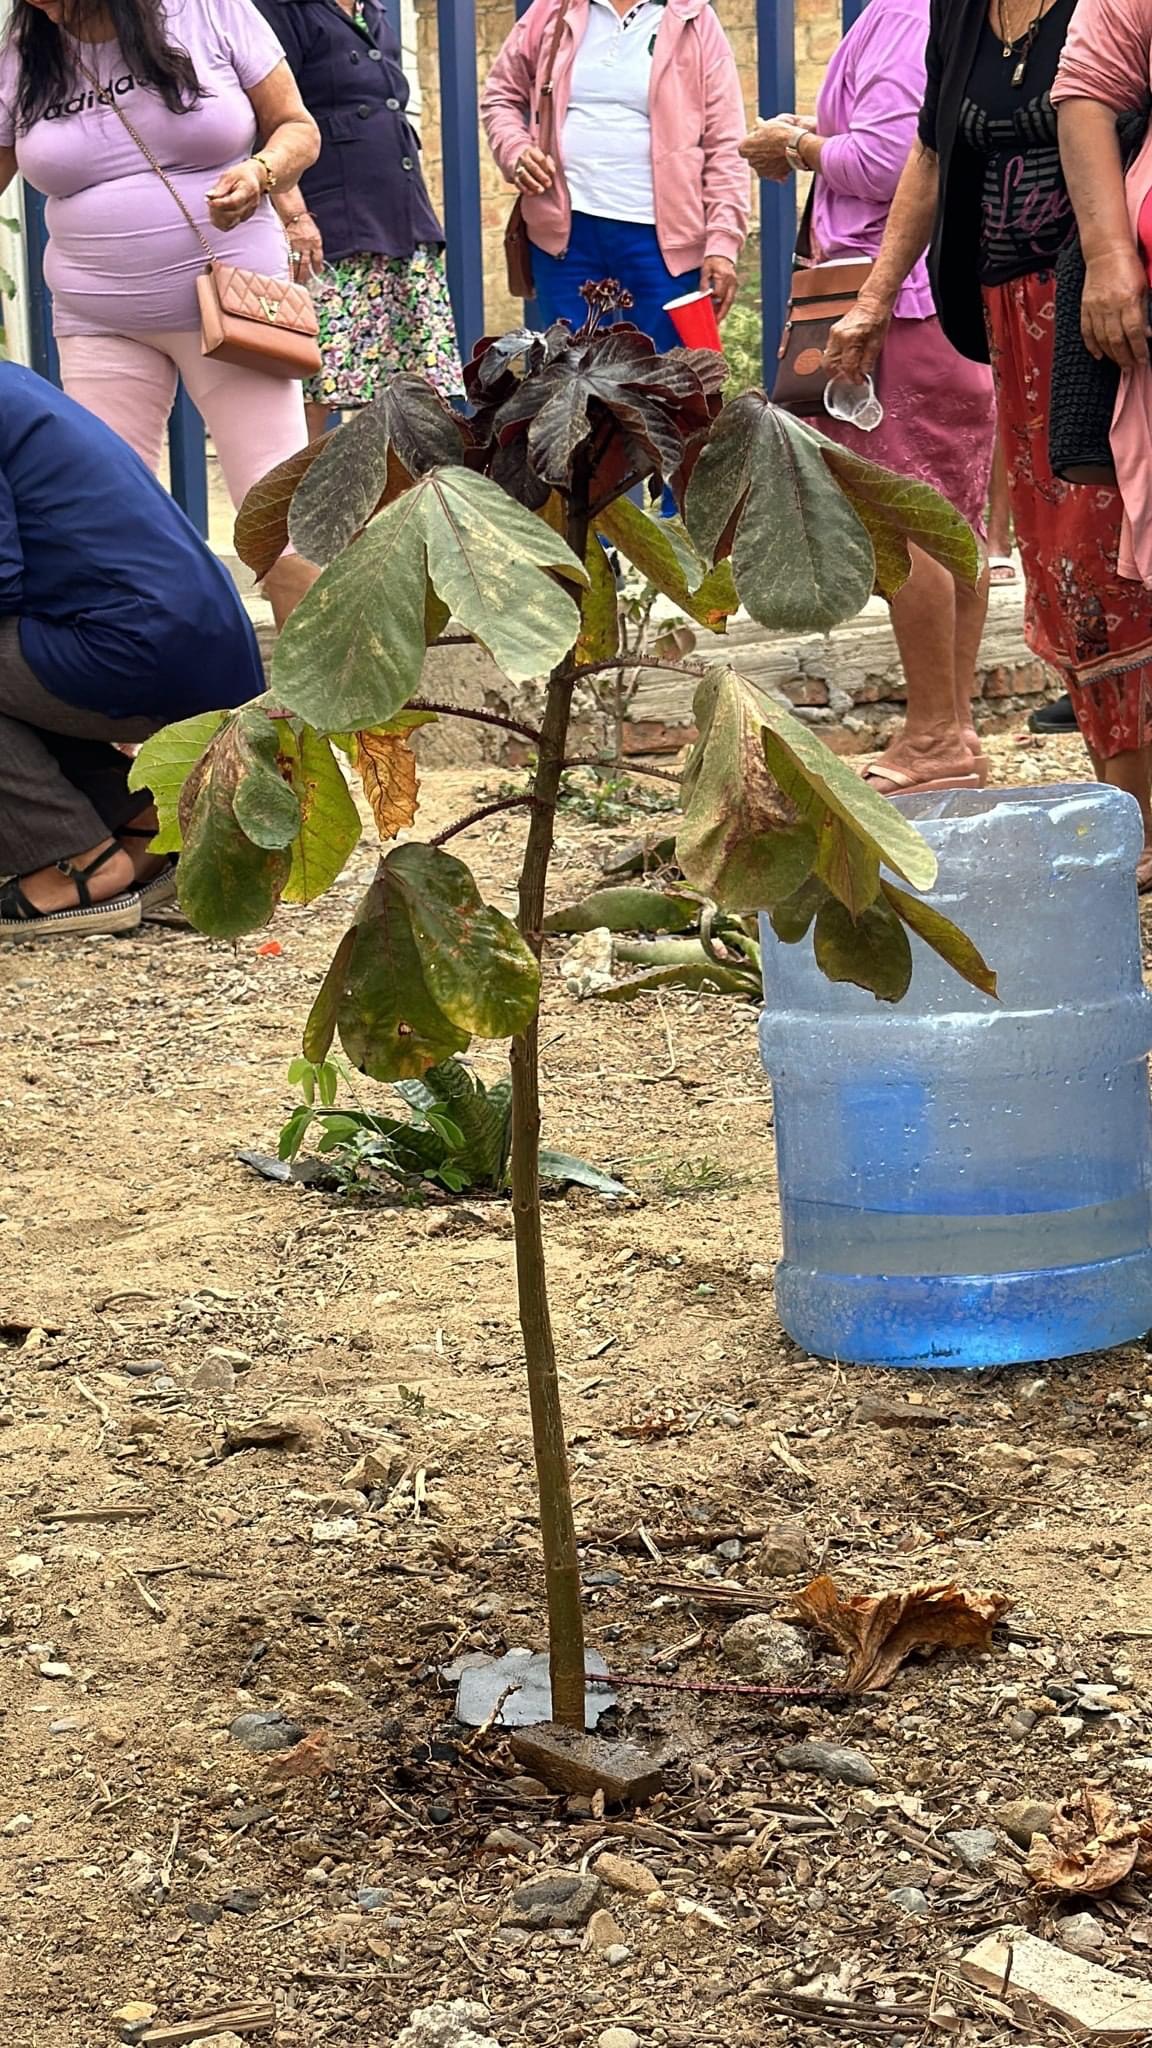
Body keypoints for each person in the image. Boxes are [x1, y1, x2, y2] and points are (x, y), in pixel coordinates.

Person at [825, 0, 1152, 879]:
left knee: (1112, 562)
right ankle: (1129, 819)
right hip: (1013, 326)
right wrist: (873, 299)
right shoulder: (962, 13)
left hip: (1110, 318)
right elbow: (932, 154)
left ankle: (1138, 825)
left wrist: (1114, 260)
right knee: (1061, 575)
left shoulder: (1104, 10)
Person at [743, 0, 998, 797]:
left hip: (894, 307)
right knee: (952, 523)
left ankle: (934, 734)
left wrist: (794, 146)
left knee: (904, 523)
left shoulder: (906, 18)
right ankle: (952, 730)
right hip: (938, 303)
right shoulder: (944, 15)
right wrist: (812, 136)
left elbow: (890, 163)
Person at [0, 0, 321, 624]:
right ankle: (147, 687)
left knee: (280, 528)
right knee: (104, 536)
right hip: (96, 319)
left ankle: (323, 686)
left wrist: (260, 173)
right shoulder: (24, 51)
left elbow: (296, 127)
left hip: (234, 311)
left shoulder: (208, 11)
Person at [0, 361, 264, 938]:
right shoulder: (11, 384)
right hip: (195, 645)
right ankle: (139, 824)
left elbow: (1, 578)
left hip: (144, 648)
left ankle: (78, 864)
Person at [480, 0, 749, 354]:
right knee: (567, 374)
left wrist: (723, 244)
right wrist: (515, 151)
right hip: (564, 239)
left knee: (662, 377)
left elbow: (726, 142)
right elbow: (501, 94)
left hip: (663, 245)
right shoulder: (554, 9)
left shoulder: (694, 19)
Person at [251, 0, 461, 439]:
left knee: (409, 380)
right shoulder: (282, 10)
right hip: (329, 223)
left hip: (398, 214)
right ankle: (298, 484)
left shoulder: (372, 10)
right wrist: (294, 215)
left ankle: (391, 483)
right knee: (313, 380)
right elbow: (265, 119)